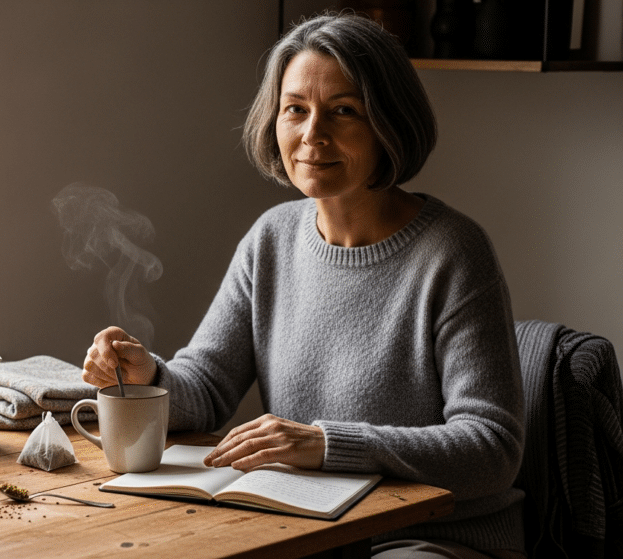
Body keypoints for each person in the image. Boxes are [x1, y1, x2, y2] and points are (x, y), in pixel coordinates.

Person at [82, 12, 526, 559]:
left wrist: (326, 444)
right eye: (296, 110)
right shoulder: (271, 239)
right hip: (306, 530)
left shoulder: (453, 253)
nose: (313, 135)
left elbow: (492, 449)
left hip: (433, 539)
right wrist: (148, 373)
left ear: (389, 124)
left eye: (343, 111)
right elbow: (208, 387)